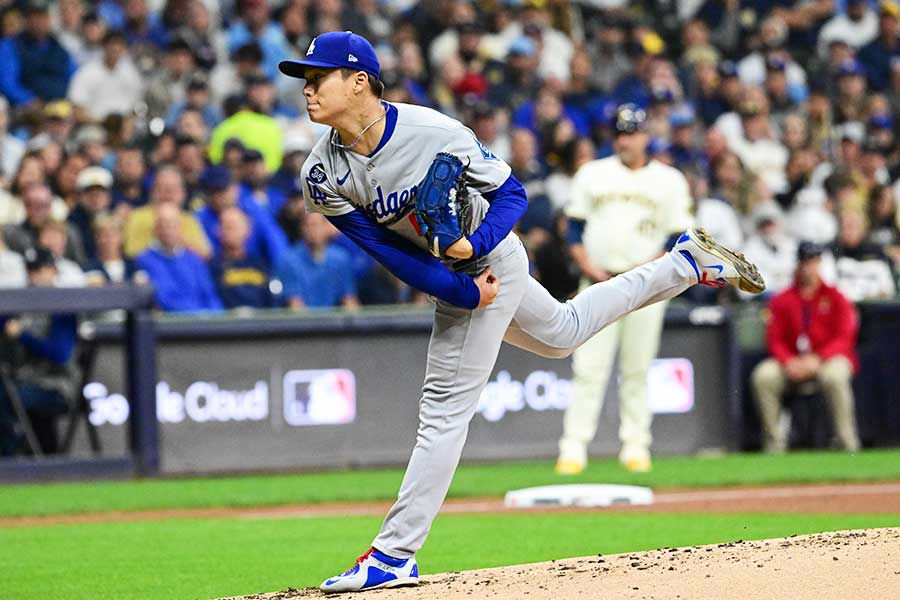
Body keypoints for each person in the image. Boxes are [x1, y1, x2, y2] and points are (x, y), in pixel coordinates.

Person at [278, 31, 765, 594]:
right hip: (458, 280)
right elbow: (387, 251)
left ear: (359, 81)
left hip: (490, 259)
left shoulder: (432, 132)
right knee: (564, 334)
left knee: (443, 410)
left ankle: (393, 554)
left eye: (319, 77)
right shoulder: (321, 173)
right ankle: (684, 264)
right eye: (306, 79)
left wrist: (473, 248)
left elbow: (512, 195)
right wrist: (460, 290)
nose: (307, 89)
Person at [554, 104, 694, 475]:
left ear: (646, 136)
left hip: (647, 289)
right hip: (599, 283)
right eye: (619, 133)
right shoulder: (593, 173)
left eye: (631, 133)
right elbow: (574, 231)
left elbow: (676, 238)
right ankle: (573, 449)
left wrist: (648, 272)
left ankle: (636, 446)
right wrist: (588, 266)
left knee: (637, 369)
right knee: (588, 369)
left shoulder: (669, 180)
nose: (624, 140)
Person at [751, 241, 861, 454]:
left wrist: (818, 358)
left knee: (835, 376)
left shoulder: (835, 297)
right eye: (804, 262)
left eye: (812, 262)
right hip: (793, 361)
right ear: (798, 264)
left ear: (819, 263)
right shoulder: (782, 299)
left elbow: (844, 337)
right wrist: (788, 361)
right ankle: (774, 444)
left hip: (827, 360)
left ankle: (847, 442)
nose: (808, 267)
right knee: (764, 376)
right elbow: (775, 340)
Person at [0, 247, 78, 456]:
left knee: (9, 398)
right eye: (30, 270)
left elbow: (60, 354)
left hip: (56, 385)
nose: (34, 276)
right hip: (22, 380)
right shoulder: (19, 302)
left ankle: (11, 458)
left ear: (53, 271)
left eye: (40, 270)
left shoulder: (62, 307)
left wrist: (23, 335)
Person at [135, 204, 223, 312]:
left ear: (180, 228)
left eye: (173, 225)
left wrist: (215, 315)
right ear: (156, 229)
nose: (168, 231)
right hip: (175, 320)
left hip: (205, 319)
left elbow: (210, 295)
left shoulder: (194, 260)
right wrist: (197, 314)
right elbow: (163, 298)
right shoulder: (145, 260)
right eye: (164, 225)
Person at [276, 212, 359, 309]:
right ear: (301, 228)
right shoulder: (290, 260)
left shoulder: (340, 258)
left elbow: (348, 298)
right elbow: (295, 303)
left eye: (316, 225)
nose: (312, 230)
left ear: (326, 227)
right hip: (304, 317)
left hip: (333, 317)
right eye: (308, 225)